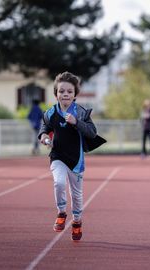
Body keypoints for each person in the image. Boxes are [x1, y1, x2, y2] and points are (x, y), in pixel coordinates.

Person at [38, 71, 106, 241]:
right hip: (58, 156)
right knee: (59, 182)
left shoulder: (81, 112)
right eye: (61, 91)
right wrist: (44, 137)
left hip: (76, 160)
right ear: (56, 94)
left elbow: (92, 133)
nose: (65, 94)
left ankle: (76, 221)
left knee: (76, 195)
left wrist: (77, 123)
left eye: (69, 91)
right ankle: (61, 212)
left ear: (75, 94)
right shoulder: (51, 113)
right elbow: (43, 129)